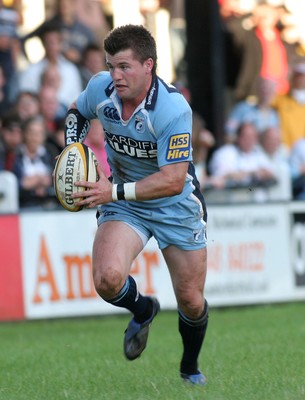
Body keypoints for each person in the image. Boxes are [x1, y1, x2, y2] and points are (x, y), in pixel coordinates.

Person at [63, 24, 209, 386]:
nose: (115, 75)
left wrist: (111, 192)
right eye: (111, 65)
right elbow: (76, 112)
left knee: (191, 300)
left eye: (124, 67)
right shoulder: (102, 87)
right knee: (107, 280)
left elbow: (173, 180)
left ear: (149, 65)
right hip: (126, 203)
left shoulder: (173, 109)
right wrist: (73, 148)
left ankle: (189, 368)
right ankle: (143, 310)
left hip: (175, 204)